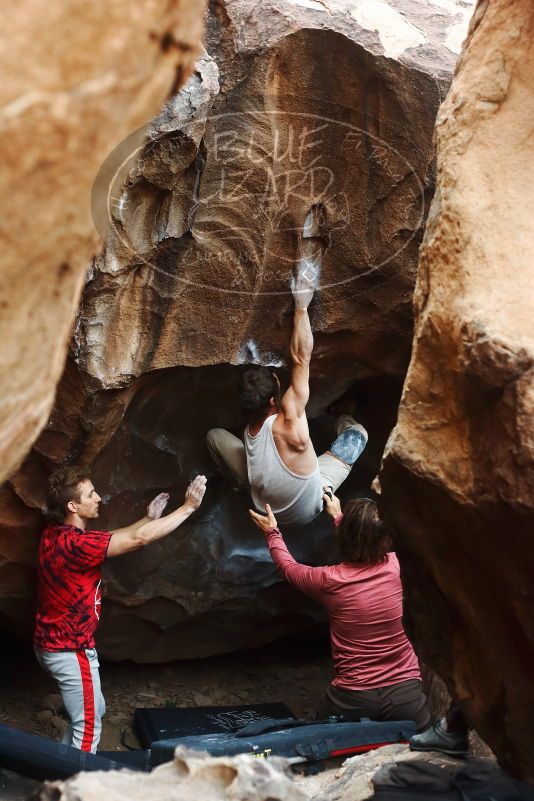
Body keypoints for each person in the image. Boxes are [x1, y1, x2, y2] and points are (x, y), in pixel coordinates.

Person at [207, 207, 368, 526]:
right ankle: (342, 416)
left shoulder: (250, 429)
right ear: (272, 401)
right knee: (358, 435)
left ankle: (237, 482)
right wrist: (301, 307)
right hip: (307, 508)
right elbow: (301, 356)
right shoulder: (291, 420)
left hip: (266, 506)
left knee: (214, 436)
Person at [34, 466, 206, 753]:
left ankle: (56, 770)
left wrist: (147, 518)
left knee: (93, 710)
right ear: (73, 505)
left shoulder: (58, 534)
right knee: (88, 726)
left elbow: (112, 538)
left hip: (54, 644)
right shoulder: (74, 545)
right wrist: (188, 508)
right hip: (69, 650)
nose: (99, 497)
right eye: (91, 494)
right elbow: (139, 540)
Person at [249, 494, 431, 731]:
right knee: (428, 749)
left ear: (343, 536)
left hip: (352, 698)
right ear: (386, 538)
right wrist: (338, 517)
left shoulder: (329, 580)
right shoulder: (399, 566)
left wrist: (272, 532)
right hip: (405, 695)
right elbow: (369, 541)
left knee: (312, 735)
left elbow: (289, 568)